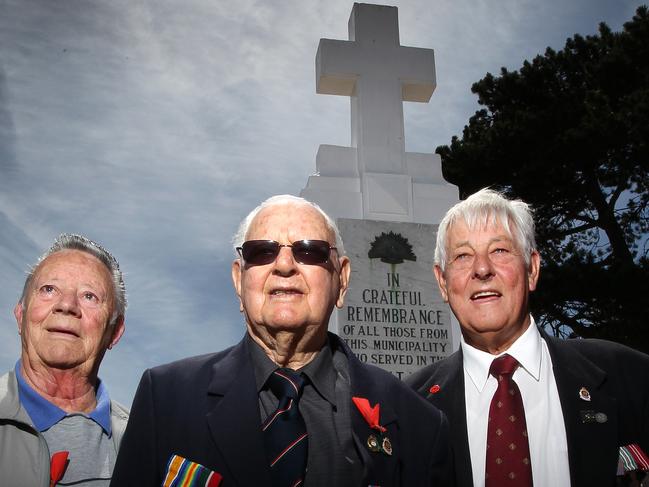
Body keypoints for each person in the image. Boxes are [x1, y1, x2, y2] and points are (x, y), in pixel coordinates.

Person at [111, 194, 450, 486]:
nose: (284, 265)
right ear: (238, 280)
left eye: (309, 251)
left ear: (342, 280)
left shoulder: (416, 423)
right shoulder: (166, 398)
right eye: (261, 252)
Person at [407, 188, 649, 487]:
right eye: (463, 256)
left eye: (499, 250)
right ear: (443, 283)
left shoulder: (629, 376)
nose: (482, 269)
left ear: (532, 269)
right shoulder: (410, 406)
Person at [0, 233, 128, 486]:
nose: (67, 305)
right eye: (49, 289)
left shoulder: (148, 438)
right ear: (20, 314)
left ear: (114, 332)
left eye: (89, 296)